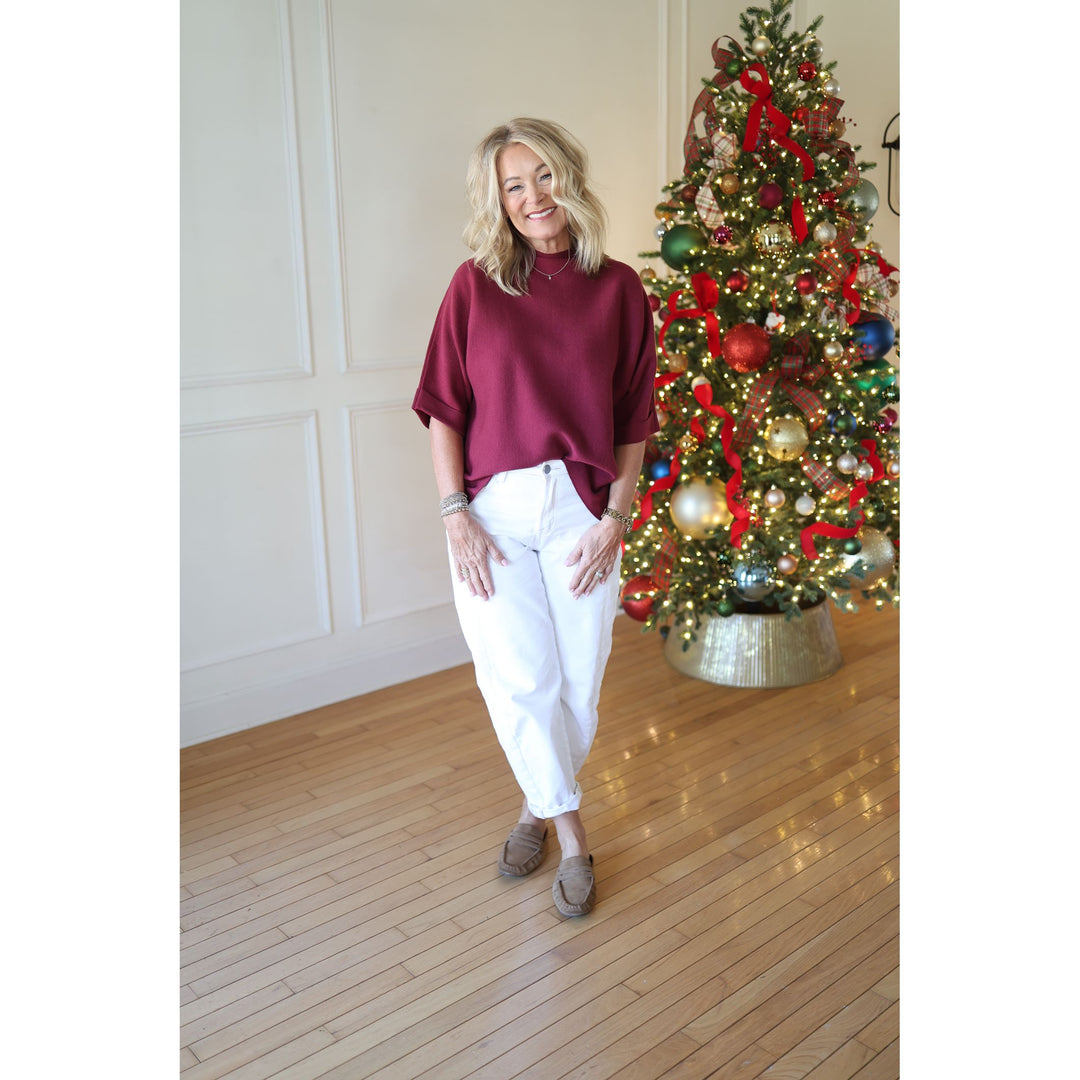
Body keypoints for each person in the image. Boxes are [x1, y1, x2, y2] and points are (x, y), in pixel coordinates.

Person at [412, 118, 658, 917]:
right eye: (513, 186)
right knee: (522, 681)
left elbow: (634, 417)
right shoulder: (474, 286)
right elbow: (443, 408)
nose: (531, 197)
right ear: (499, 201)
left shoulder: (619, 289)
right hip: (494, 514)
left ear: (569, 177)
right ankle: (574, 839)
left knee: (578, 684)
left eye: (543, 176)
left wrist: (615, 517)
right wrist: (455, 515)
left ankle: (533, 809)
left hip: (583, 510)